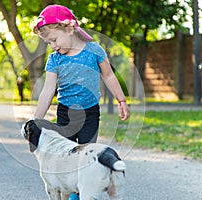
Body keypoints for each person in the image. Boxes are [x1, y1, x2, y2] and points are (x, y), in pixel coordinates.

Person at [32, 5, 129, 200]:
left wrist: (121, 99)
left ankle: (80, 192)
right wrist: (37, 120)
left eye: (53, 40)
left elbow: (109, 76)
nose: (53, 46)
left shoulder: (94, 50)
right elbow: (48, 90)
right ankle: (69, 189)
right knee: (66, 156)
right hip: (65, 113)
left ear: (69, 28)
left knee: (85, 156)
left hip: (90, 113)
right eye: (48, 43)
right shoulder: (55, 59)